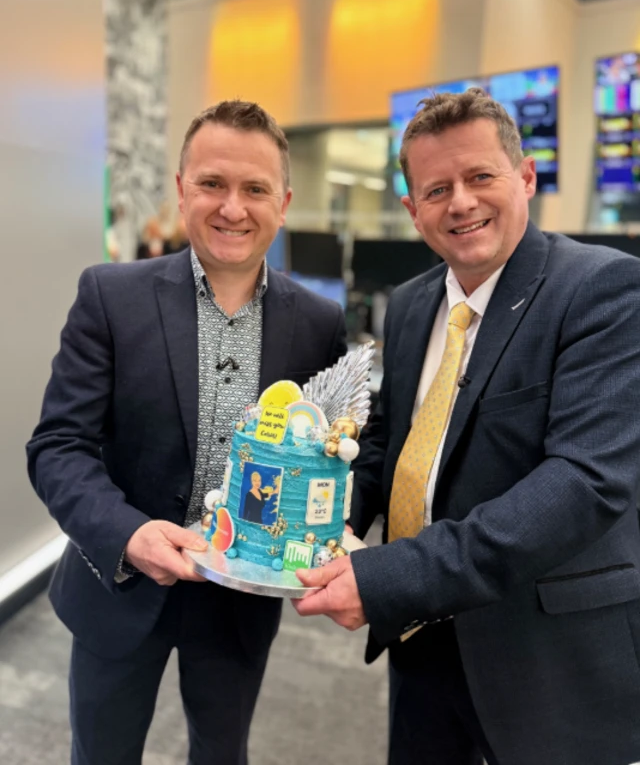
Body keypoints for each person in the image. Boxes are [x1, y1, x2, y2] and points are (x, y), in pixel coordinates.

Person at [294, 88, 640, 765]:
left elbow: (583, 483)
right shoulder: (415, 301)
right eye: (436, 188)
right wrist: (333, 517)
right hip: (422, 641)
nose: (460, 202)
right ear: (411, 210)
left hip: (545, 656)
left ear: (526, 177)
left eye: (480, 176)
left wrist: (392, 575)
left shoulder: (605, 291)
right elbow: (390, 438)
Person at [27, 99, 347, 765]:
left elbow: (334, 454)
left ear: (282, 203)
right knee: (102, 753)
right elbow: (58, 448)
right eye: (213, 184)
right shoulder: (110, 297)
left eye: (255, 188)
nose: (233, 207)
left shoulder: (318, 323)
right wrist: (130, 534)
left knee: (221, 752)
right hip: (118, 585)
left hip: (240, 599)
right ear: (181, 190)